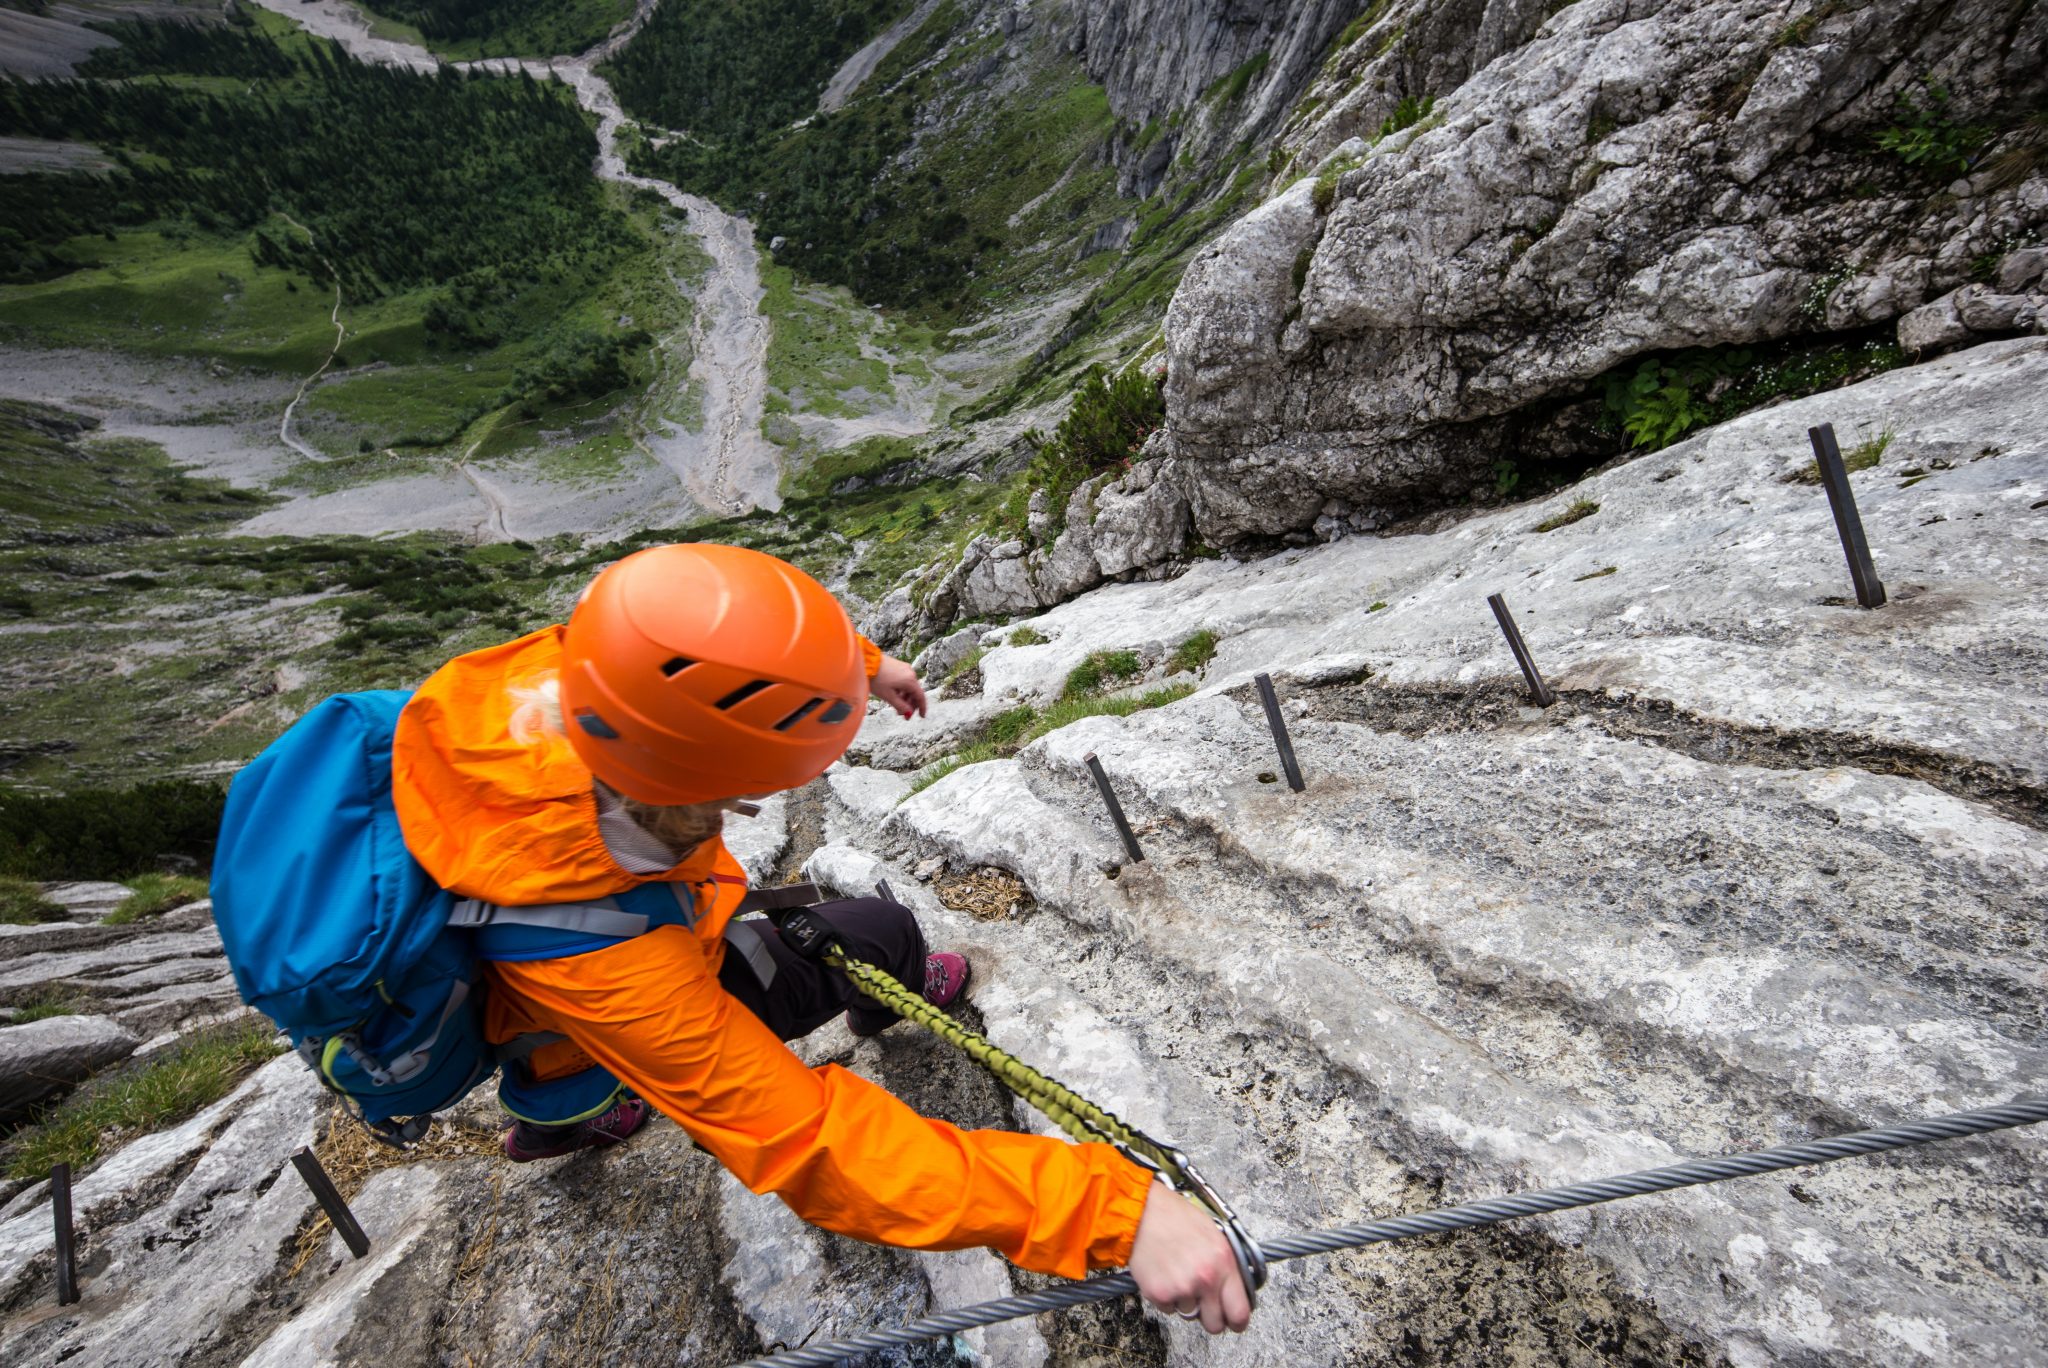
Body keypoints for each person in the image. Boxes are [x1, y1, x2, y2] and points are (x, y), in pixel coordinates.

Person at [387, 542, 1252, 1333]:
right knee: (881, 933)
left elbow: (713, 641)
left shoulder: (594, 665)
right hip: (609, 993)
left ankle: (558, 1118)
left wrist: (861, 669)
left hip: (543, 978)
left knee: (577, 1040)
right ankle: (633, 1080)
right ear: (702, 778)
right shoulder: (608, 957)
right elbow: (813, 1146)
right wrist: (1117, 1211)